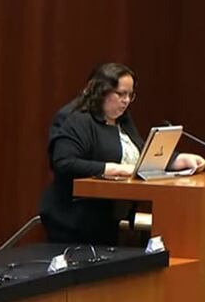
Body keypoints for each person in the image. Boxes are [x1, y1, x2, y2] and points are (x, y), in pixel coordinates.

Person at [40, 62, 205, 244]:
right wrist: (111, 169)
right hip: (76, 219)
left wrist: (180, 160)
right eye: (121, 94)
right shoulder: (78, 120)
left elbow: (141, 155)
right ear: (102, 91)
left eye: (130, 95)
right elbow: (63, 163)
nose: (126, 100)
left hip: (110, 217)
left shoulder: (122, 120)